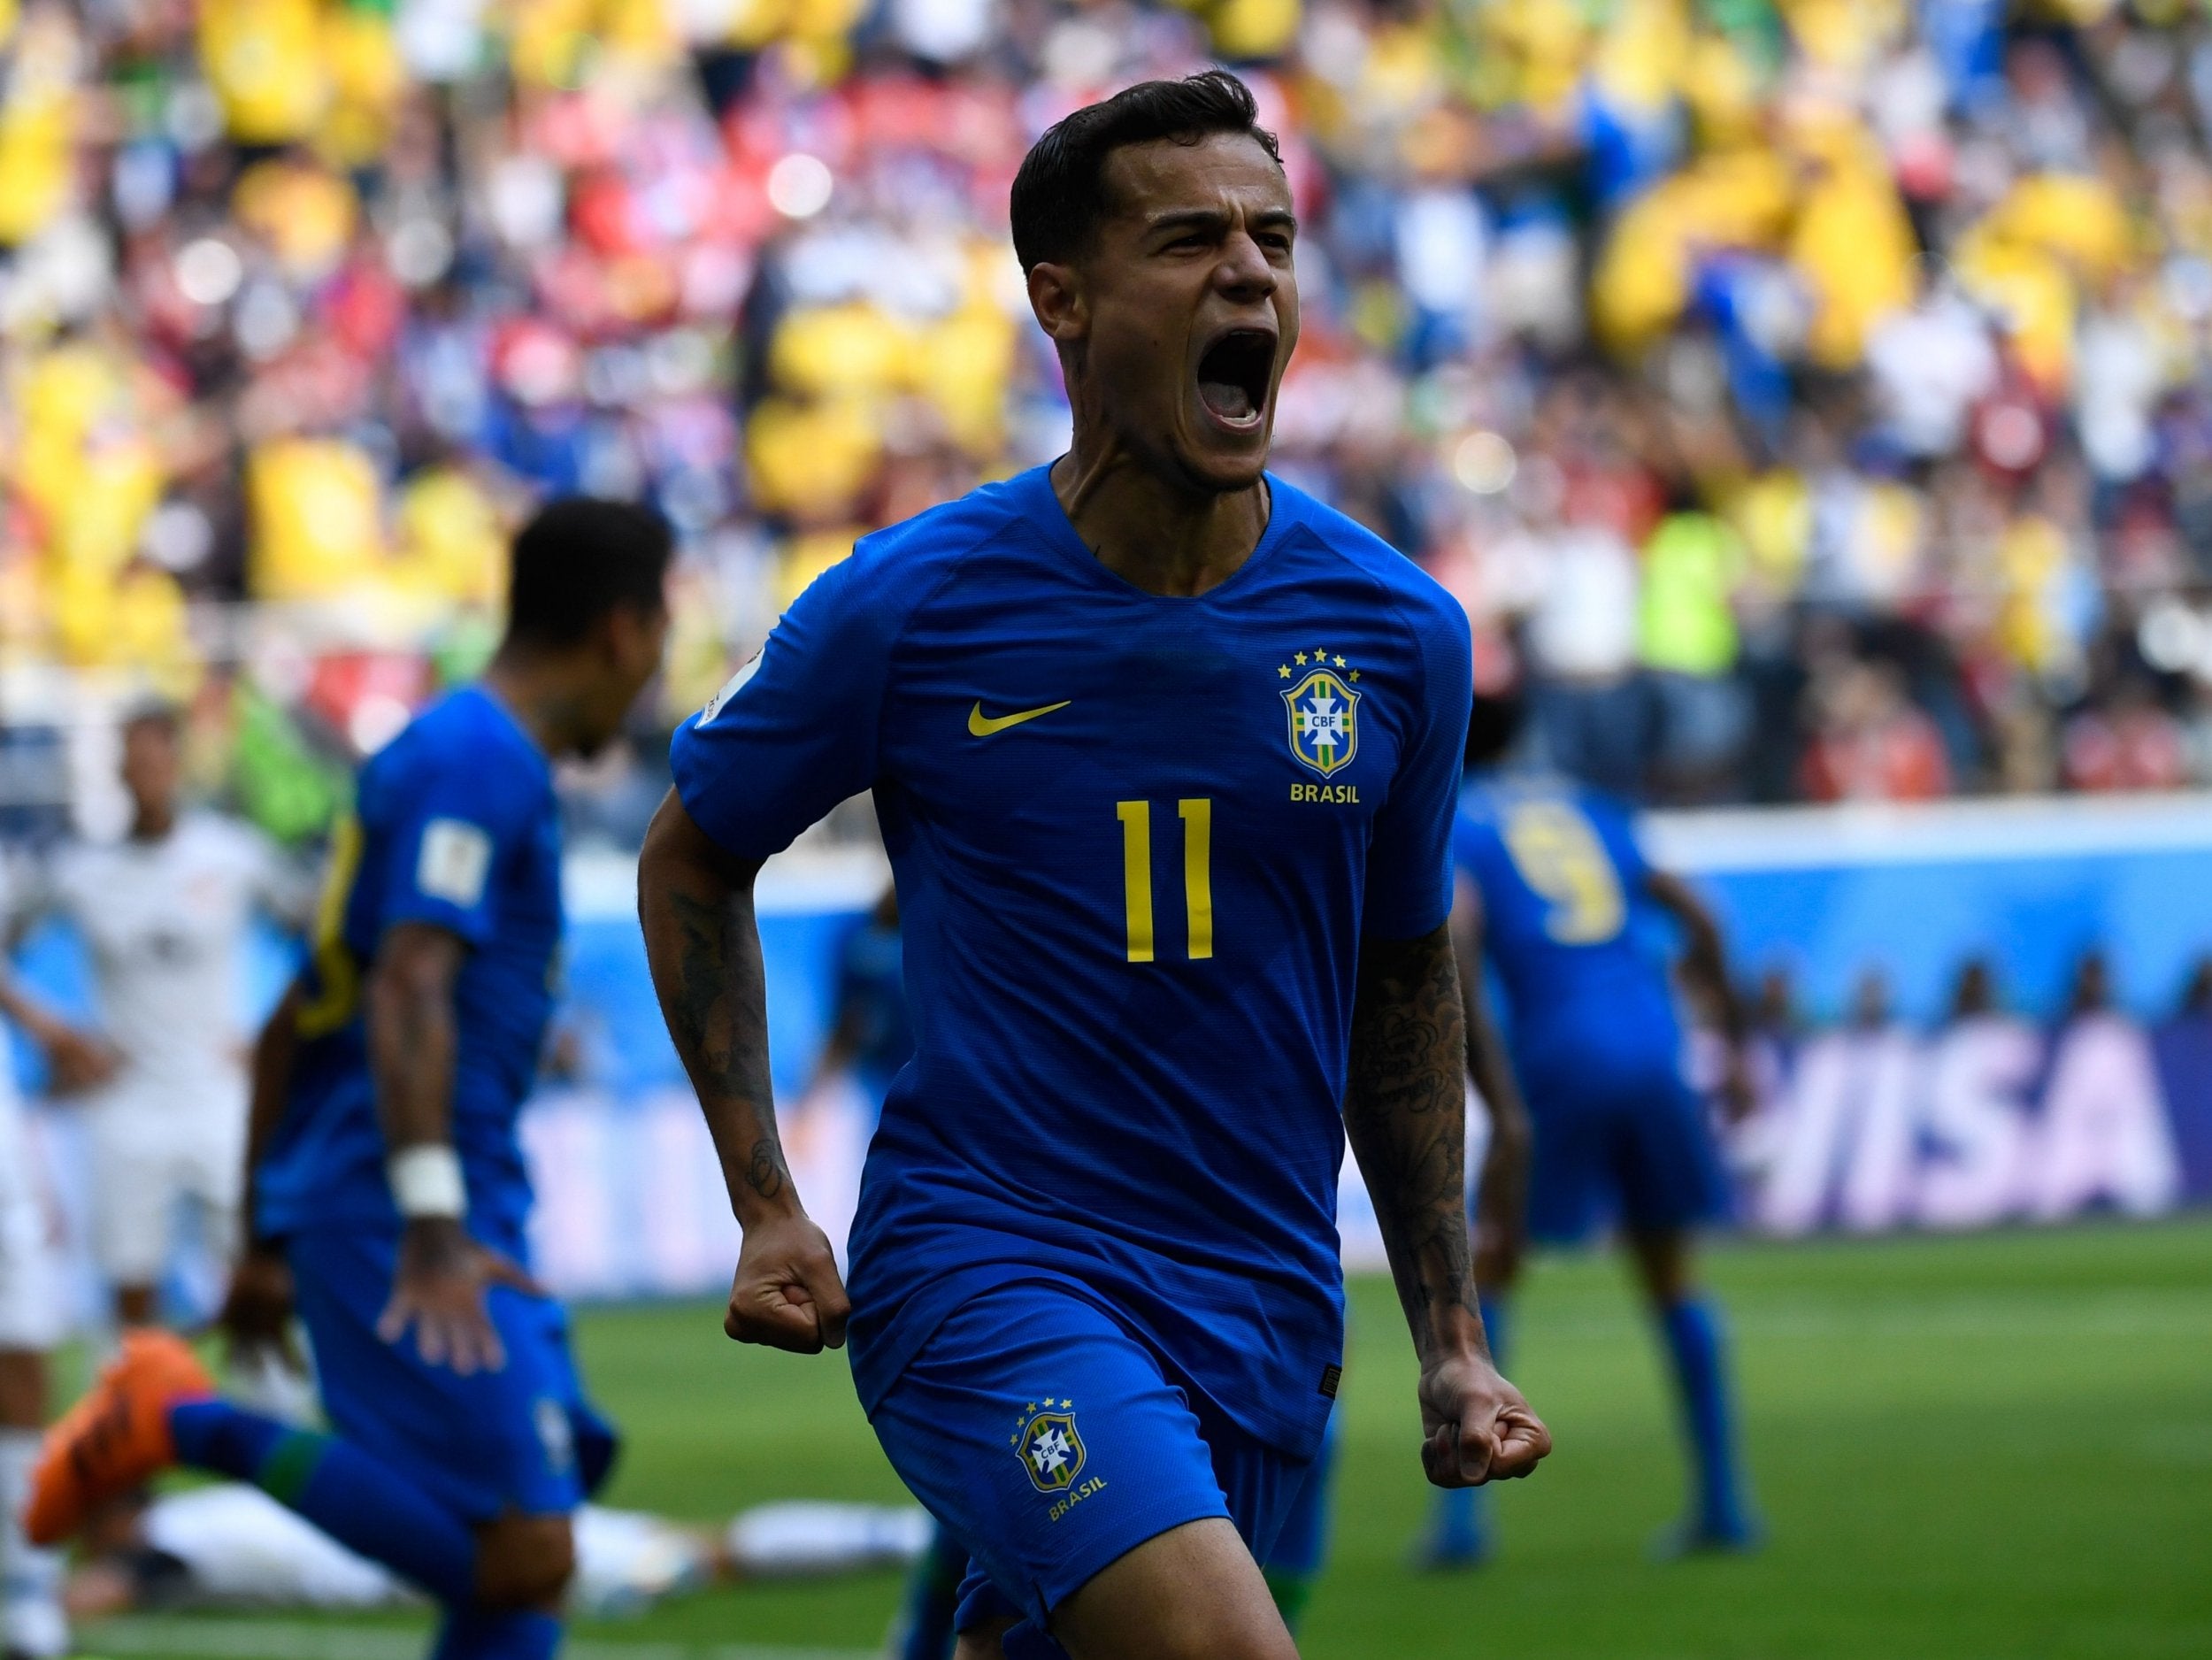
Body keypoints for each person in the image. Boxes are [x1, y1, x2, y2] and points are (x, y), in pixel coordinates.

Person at [638, 70, 1548, 1660]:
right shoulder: (910, 608)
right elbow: (694, 857)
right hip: (990, 1273)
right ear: (1060, 298)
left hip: (1262, 1308)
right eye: (1191, 239)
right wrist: (767, 1201)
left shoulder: (1400, 636)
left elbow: (1401, 981)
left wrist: (1451, 1336)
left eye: (1272, 236)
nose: (1252, 271)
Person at [25, 497, 674, 1660]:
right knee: (529, 1554)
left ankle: (182, 1416)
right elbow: (405, 985)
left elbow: (290, 1021)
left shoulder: (449, 755)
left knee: (528, 1542)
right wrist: (426, 1218)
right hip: (407, 1204)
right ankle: (185, 1421)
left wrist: (265, 1233)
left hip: (423, 1192)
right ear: (627, 630)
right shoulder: (478, 762)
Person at [1417, 692, 1758, 1569]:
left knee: (1492, 1269)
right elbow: (1704, 915)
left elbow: (1455, 930)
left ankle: (1463, 1522)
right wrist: (1737, 1040)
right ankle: (1723, 1504)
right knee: (1671, 1271)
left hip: (1558, 1056)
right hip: (1653, 1045)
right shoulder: (1587, 806)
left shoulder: (1456, 823)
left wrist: (1467, 1061)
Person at [19, 700, 311, 1329]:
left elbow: (317, 935)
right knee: (132, 1297)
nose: (148, 775)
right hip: (125, 1105)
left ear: (179, 764)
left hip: (220, 1100)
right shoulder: (82, 871)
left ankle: (271, 1419)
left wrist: (273, 1038)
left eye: (158, 758)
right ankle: (142, 1420)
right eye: (134, 762)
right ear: (119, 773)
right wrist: (54, 1034)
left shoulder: (233, 855)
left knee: (255, 1281)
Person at [65, 1483, 933, 1622]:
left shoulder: (172, 1539)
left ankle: (914, 1540)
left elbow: (115, 1588)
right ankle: (907, 1536)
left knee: (702, 1557)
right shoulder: (209, 1503)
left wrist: (40, 1595)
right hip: (454, 1518)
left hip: (451, 1556)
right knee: (698, 1545)